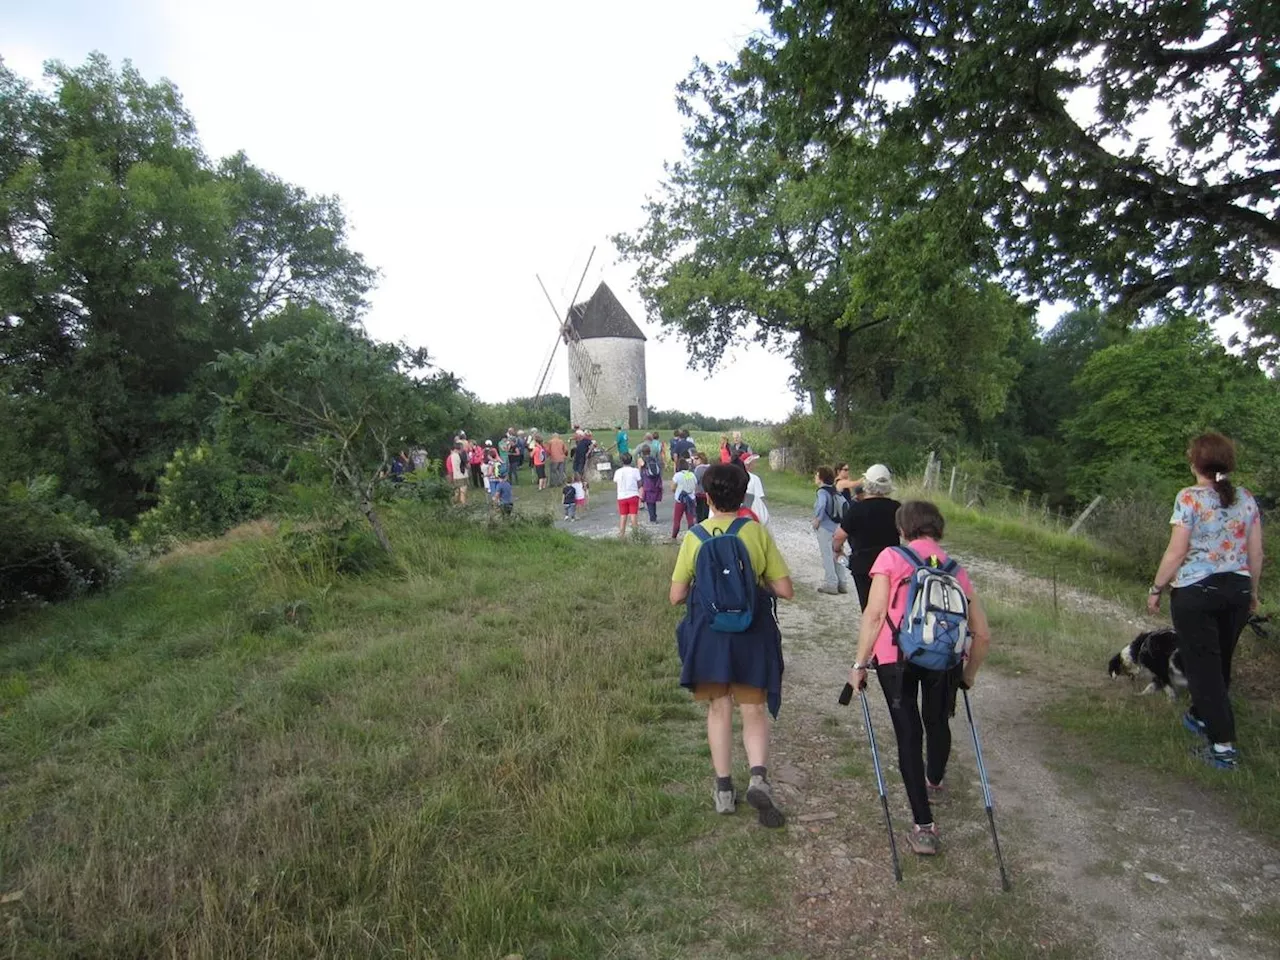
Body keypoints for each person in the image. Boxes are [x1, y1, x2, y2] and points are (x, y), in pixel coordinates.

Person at [849, 500, 991, 855]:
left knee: (908, 733)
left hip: (895, 656)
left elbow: (875, 613)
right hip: (945, 659)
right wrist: (968, 676)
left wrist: (859, 664)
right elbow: (983, 634)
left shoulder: (892, 558)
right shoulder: (956, 569)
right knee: (937, 720)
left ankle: (924, 827)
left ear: (902, 528)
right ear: (938, 529)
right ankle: (934, 781)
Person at [670, 463, 794, 827]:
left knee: (719, 708)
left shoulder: (695, 536)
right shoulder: (755, 533)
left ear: (707, 497)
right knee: (753, 709)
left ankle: (724, 789)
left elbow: (676, 596)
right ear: (744, 496)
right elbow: (785, 590)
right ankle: (758, 777)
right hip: (751, 633)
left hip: (710, 636)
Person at [1147, 432, 1263, 770]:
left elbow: (1177, 550)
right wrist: (1252, 592)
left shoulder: (1189, 498)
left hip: (1197, 594)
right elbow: (1256, 552)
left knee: (1205, 670)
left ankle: (1223, 748)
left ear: (1196, 463)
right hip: (1237, 592)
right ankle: (1200, 716)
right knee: (1220, 662)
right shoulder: (1246, 498)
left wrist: (1156, 588)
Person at [832, 464, 901, 609]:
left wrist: (837, 550)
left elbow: (839, 536)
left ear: (867, 484)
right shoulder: (897, 508)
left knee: (868, 605)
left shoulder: (857, 509)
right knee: (890, 605)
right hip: (890, 562)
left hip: (863, 563)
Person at [813, 467, 850, 595]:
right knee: (837, 552)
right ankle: (842, 583)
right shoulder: (835, 490)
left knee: (827, 555)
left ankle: (831, 583)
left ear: (821, 477)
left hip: (825, 526)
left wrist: (818, 518)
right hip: (837, 526)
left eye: (817, 475)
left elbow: (822, 505)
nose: (815, 477)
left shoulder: (822, 492)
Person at [614, 452, 642, 539]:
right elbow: (639, 482)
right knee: (633, 515)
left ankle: (622, 533)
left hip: (622, 495)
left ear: (621, 461)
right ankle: (635, 533)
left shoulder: (618, 472)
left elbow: (616, 481)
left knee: (623, 515)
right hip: (633, 494)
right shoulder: (635, 471)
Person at [671, 458, 698, 539]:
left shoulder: (677, 475)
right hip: (691, 498)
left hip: (680, 500)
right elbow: (695, 485)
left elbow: (673, 487)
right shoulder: (691, 474)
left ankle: (674, 536)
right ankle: (691, 535)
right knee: (690, 518)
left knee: (677, 519)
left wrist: (676, 491)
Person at [638, 444, 664, 523]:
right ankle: (654, 515)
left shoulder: (641, 459)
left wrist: (640, 483)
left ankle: (652, 518)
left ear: (642, 452)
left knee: (649, 500)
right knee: (653, 500)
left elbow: (640, 470)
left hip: (647, 481)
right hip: (655, 481)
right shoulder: (654, 458)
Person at [741, 455, 769, 526]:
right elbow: (760, 497)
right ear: (747, 465)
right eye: (754, 463)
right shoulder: (754, 479)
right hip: (752, 509)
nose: (755, 465)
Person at [692, 451, 711, 523]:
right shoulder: (710, 467)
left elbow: (695, 480)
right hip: (708, 493)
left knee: (699, 513)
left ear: (701, 459)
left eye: (696, 459)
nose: (694, 461)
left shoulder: (699, 469)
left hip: (700, 493)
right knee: (706, 512)